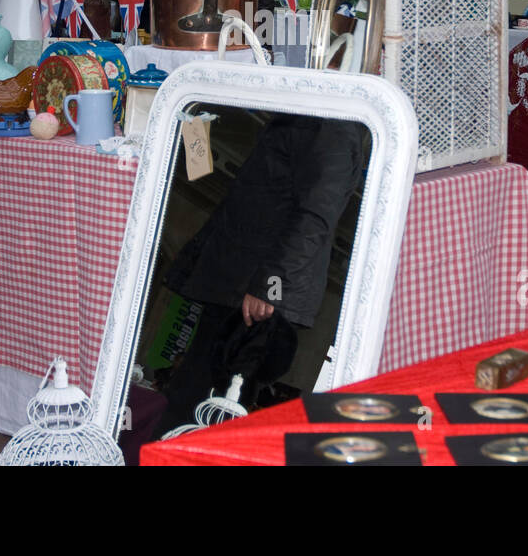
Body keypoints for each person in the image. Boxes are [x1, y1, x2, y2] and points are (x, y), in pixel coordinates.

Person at [153, 113, 369, 435]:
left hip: (255, 296)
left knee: (202, 405)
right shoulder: (315, 119)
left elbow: (316, 218)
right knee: (193, 399)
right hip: (241, 287)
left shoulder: (334, 126)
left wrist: (271, 288)